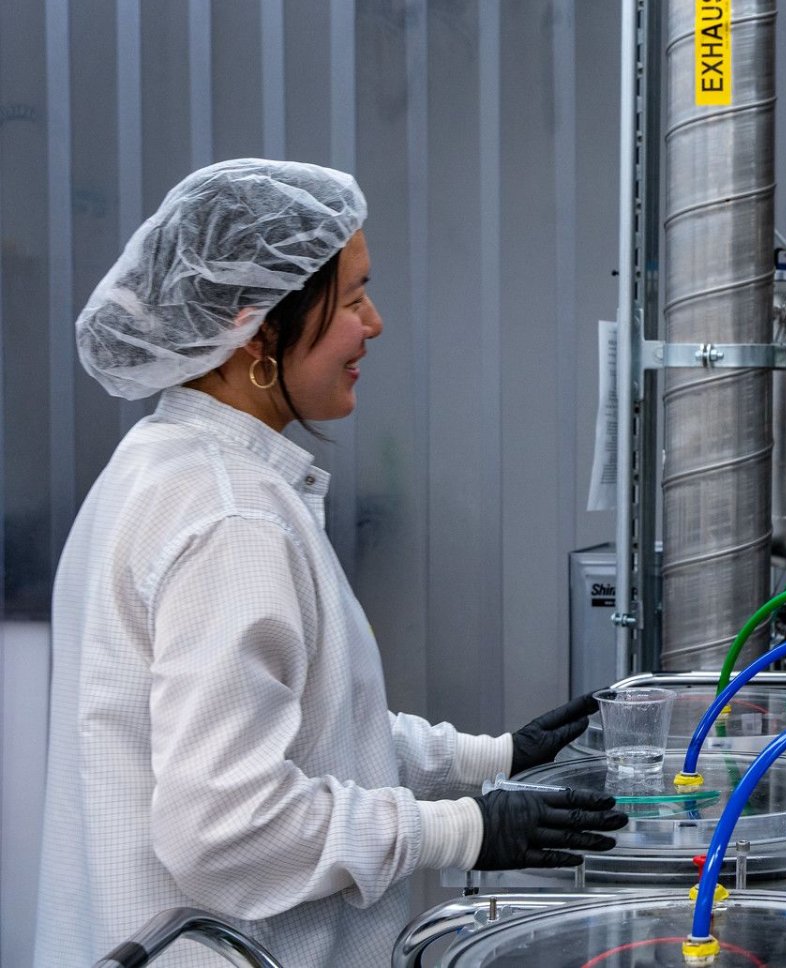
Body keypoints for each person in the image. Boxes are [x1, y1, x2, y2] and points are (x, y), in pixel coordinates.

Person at [38, 159, 629, 966]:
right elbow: (227, 825)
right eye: (352, 299)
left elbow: (303, 731)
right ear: (258, 325)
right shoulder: (230, 518)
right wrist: (463, 830)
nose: (374, 323)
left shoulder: (167, 467)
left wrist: (488, 760)